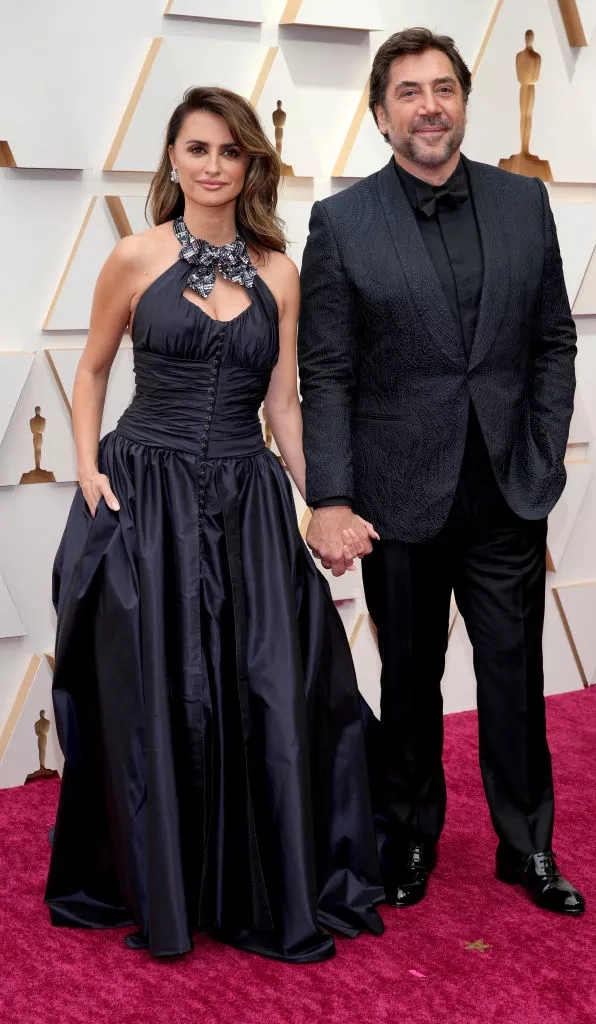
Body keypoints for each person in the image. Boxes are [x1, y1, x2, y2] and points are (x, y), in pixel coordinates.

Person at [45, 86, 384, 962]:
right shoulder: (133, 256)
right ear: (172, 157)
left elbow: (285, 408)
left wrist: (325, 504)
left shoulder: (279, 272)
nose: (212, 165)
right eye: (197, 148)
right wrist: (85, 467)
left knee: (265, 685)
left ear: (250, 164)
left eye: (230, 151)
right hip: (144, 498)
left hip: (245, 500)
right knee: (152, 696)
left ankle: (250, 878)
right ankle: (160, 879)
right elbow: (92, 370)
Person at [298, 28, 585, 916]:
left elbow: (553, 341)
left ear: (464, 100)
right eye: (409, 92)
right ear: (381, 116)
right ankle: (411, 835)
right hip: (397, 496)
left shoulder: (523, 202)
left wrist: (542, 447)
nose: (430, 106)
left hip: (506, 490)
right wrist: (332, 496)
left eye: (444, 88)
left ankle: (527, 846)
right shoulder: (343, 222)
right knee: (410, 680)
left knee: (515, 676)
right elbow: (327, 371)